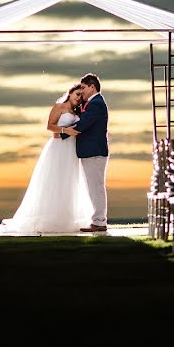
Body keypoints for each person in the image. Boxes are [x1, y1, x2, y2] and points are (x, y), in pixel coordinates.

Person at [0, 83, 93, 233]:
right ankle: (50, 217)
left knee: (69, 181)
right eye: (77, 94)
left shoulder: (76, 111)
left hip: (72, 151)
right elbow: (50, 126)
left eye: (81, 96)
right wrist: (65, 130)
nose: (79, 98)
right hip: (58, 149)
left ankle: (67, 216)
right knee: (54, 180)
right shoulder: (59, 107)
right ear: (70, 93)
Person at [61, 73, 109, 232]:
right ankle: (98, 220)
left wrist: (62, 134)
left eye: (83, 87)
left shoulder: (96, 104)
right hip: (91, 152)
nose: (81, 91)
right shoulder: (92, 103)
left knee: (96, 187)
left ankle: (100, 221)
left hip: (94, 152)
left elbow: (83, 124)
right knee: (93, 187)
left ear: (92, 87)